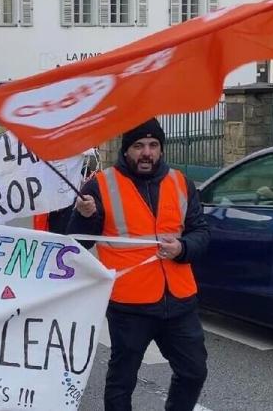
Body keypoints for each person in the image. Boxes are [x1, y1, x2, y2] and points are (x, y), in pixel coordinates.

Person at [66, 119, 209, 411]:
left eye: (153, 145)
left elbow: (201, 232)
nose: (147, 152)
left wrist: (183, 248)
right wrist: (84, 215)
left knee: (194, 371)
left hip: (179, 301)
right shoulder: (102, 184)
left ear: (161, 149)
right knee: (122, 381)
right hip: (129, 305)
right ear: (126, 149)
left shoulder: (181, 182)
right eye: (138, 146)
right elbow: (77, 243)